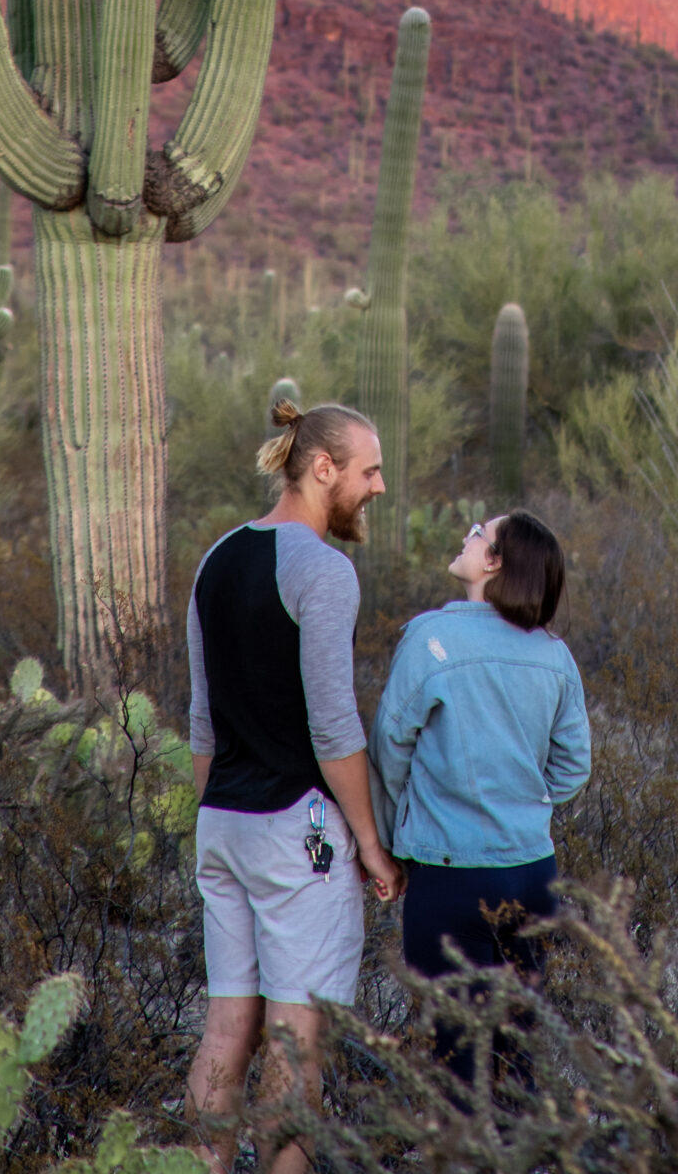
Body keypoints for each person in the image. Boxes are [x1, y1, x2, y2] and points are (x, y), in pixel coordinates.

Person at [184, 400, 405, 1174]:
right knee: (295, 1038)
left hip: (224, 824)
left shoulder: (217, 559)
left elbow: (201, 723)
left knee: (225, 1029)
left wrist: (208, 821)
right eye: (369, 471)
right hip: (296, 835)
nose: (378, 487)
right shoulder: (322, 570)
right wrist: (372, 844)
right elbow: (335, 727)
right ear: (323, 468)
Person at [372, 511, 591, 1022]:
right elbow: (573, 768)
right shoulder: (556, 656)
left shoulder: (431, 639)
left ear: (494, 562)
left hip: (450, 877)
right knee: (518, 1061)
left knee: (453, 1063)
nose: (466, 536)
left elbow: (388, 750)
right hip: (534, 874)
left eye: (477, 532)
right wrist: (514, 801)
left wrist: (393, 842)